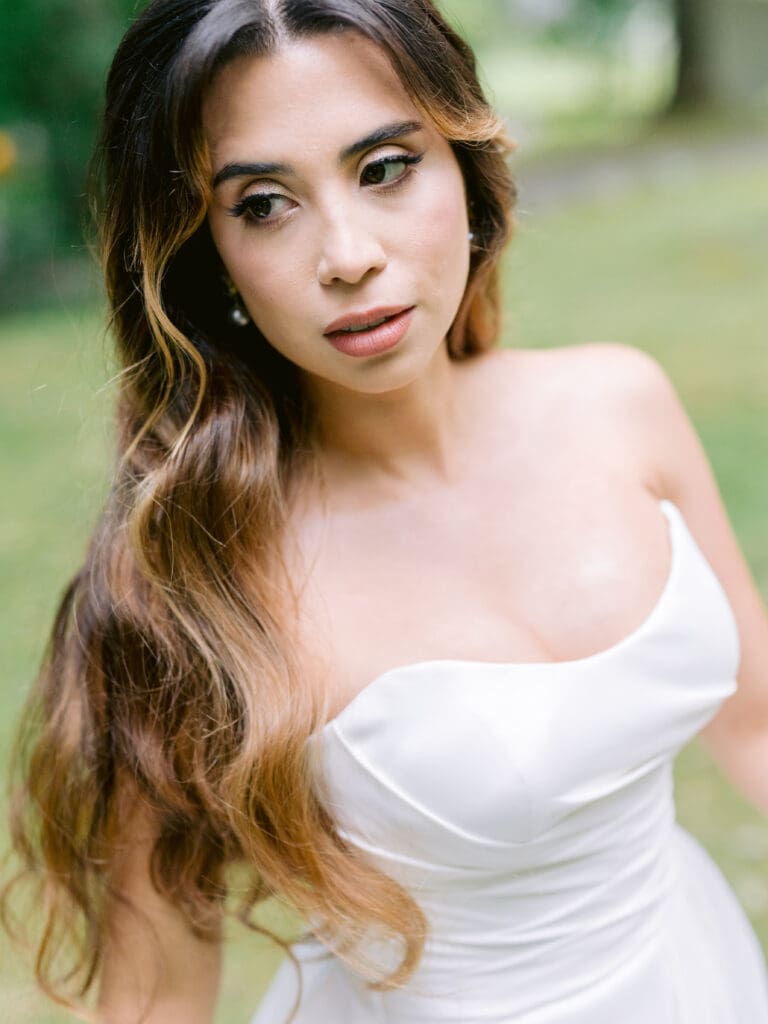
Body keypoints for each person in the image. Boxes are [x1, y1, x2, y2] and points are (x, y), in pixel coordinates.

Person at [3, 0, 768, 1021]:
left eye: (385, 166)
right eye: (266, 203)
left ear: (468, 168)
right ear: (206, 255)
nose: (348, 254)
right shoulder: (192, 582)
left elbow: (756, 725)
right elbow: (153, 1003)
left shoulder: (618, 401)